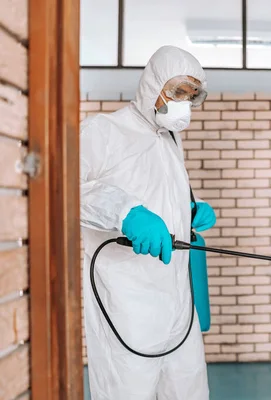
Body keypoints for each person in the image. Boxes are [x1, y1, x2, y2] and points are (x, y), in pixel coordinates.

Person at [80, 45, 215, 400]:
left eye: (191, 95)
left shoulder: (171, 139)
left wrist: (193, 208)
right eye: (177, 91)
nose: (183, 103)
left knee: (191, 392)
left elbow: (161, 194)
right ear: (152, 83)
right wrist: (125, 213)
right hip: (127, 309)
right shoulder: (103, 131)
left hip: (179, 307)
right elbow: (66, 192)